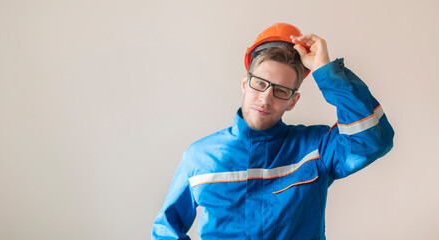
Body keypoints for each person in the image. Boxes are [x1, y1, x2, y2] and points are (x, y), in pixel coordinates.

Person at [151, 23, 394, 240]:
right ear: (245, 83)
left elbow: (371, 140)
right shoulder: (200, 157)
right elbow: (166, 229)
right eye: (260, 83)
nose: (266, 99)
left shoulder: (316, 148)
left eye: (280, 90)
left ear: (293, 101)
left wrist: (325, 71)